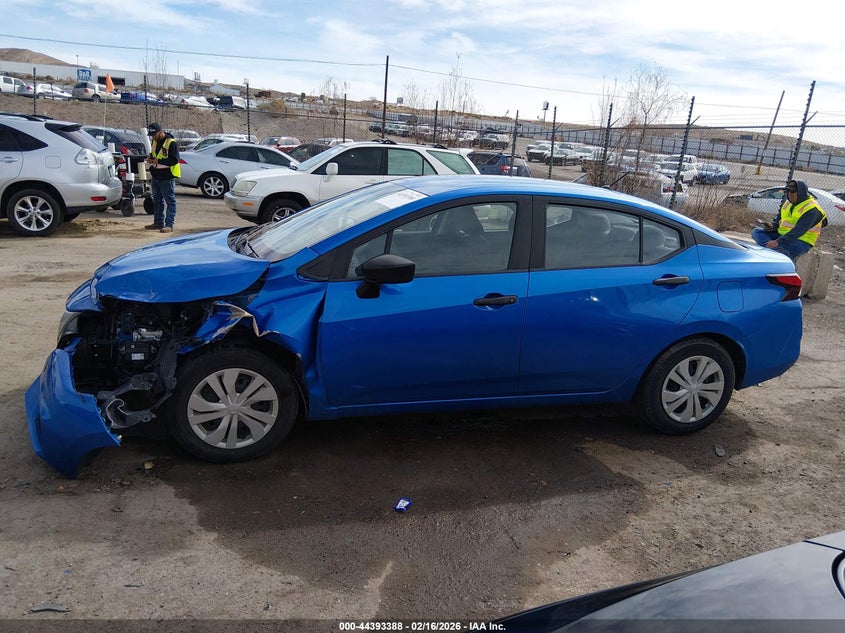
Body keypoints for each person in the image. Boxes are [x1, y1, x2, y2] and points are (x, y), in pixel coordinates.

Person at [750, 179, 827, 261]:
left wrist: (777, 242)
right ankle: (776, 251)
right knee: (756, 232)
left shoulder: (813, 209)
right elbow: (779, 220)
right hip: (783, 236)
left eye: (792, 192)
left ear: (801, 192)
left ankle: (777, 252)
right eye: (788, 191)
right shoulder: (788, 203)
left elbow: (799, 230)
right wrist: (773, 226)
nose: (790, 194)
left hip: (801, 241)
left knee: (778, 245)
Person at [145, 122, 181, 233]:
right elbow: (154, 154)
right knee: (157, 201)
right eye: (151, 135)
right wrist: (151, 158)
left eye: (154, 134)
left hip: (167, 176)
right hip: (156, 175)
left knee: (170, 201)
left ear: (161, 132)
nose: (153, 137)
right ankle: (158, 222)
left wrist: (159, 161)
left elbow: (175, 160)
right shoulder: (155, 141)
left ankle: (169, 225)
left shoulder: (171, 143)